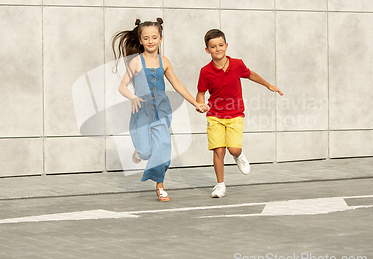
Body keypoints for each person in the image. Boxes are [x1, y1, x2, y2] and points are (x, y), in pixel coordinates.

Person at [112, 18, 209, 202]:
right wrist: (132, 97)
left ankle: (160, 186)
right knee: (147, 152)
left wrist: (196, 104)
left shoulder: (164, 61)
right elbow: (122, 87)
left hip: (162, 112)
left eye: (154, 37)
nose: (150, 41)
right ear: (140, 40)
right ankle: (139, 153)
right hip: (141, 112)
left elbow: (177, 85)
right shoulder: (135, 62)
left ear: (160, 39)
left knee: (163, 148)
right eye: (146, 38)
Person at [196, 29, 284, 198]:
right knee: (218, 151)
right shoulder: (205, 71)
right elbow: (200, 93)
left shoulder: (237, 65)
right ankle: (220, 185)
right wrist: (200, 105)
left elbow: (250, 74)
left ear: (226, 46)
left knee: (233, 149)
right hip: (214, 115)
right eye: (213, 47)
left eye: (221, 45)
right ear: (207, 50)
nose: (218, 49)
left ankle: (239, 156)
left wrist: (268, 85)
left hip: (235, 114)